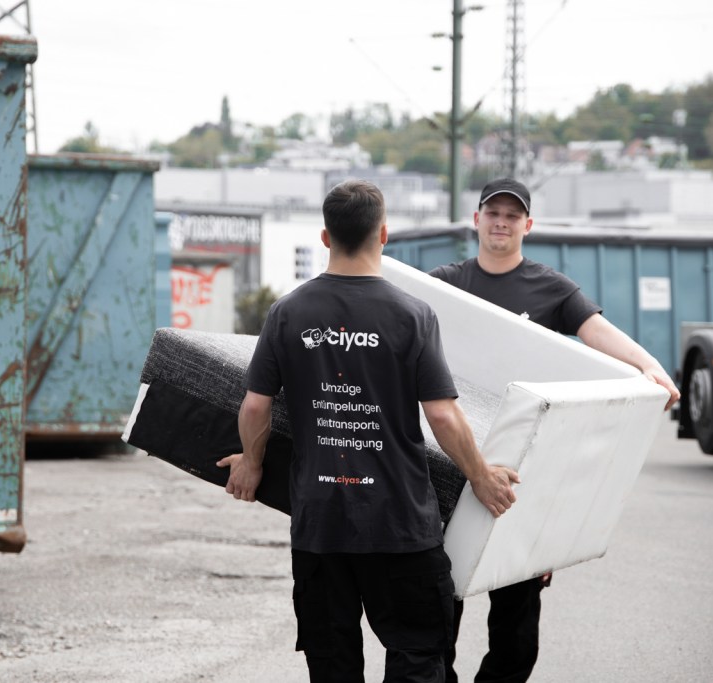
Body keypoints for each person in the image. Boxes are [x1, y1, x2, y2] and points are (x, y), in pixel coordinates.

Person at [220, 179, 520, 682]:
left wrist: (251, 462)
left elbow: (255, 406)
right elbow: (443, 416)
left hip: (320, 526)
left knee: (332, 665)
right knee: (417, 657)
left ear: (324, 237)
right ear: (383, 235)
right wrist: (481, 475)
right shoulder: (412, 315)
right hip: (399, 525)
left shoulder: (288, 312)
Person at [429, 178, 680, 683]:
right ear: (476, 220)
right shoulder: (445, 284)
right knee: (436, 616)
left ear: (528, 225)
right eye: (493, 213)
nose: (501, 222)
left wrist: (650, 367)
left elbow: (597, 332)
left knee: (517, 631)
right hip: (450, 456)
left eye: (512, 215)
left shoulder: (551, 288)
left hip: (524, 469)